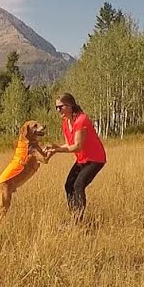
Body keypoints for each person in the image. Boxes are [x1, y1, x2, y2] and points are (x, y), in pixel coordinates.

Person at [45, 93, 106, 222]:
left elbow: (77, 146)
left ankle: (78, 221)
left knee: (78, 185)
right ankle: (74, 216)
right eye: (56, 107)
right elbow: (69, 144)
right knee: (68, 185)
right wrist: (54, 149)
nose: (58, 110)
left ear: (70, 106)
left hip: (95, 159)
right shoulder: (66, 123)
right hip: (82, 159)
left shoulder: (81, 120)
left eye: (61, 107)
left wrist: (57, 150)